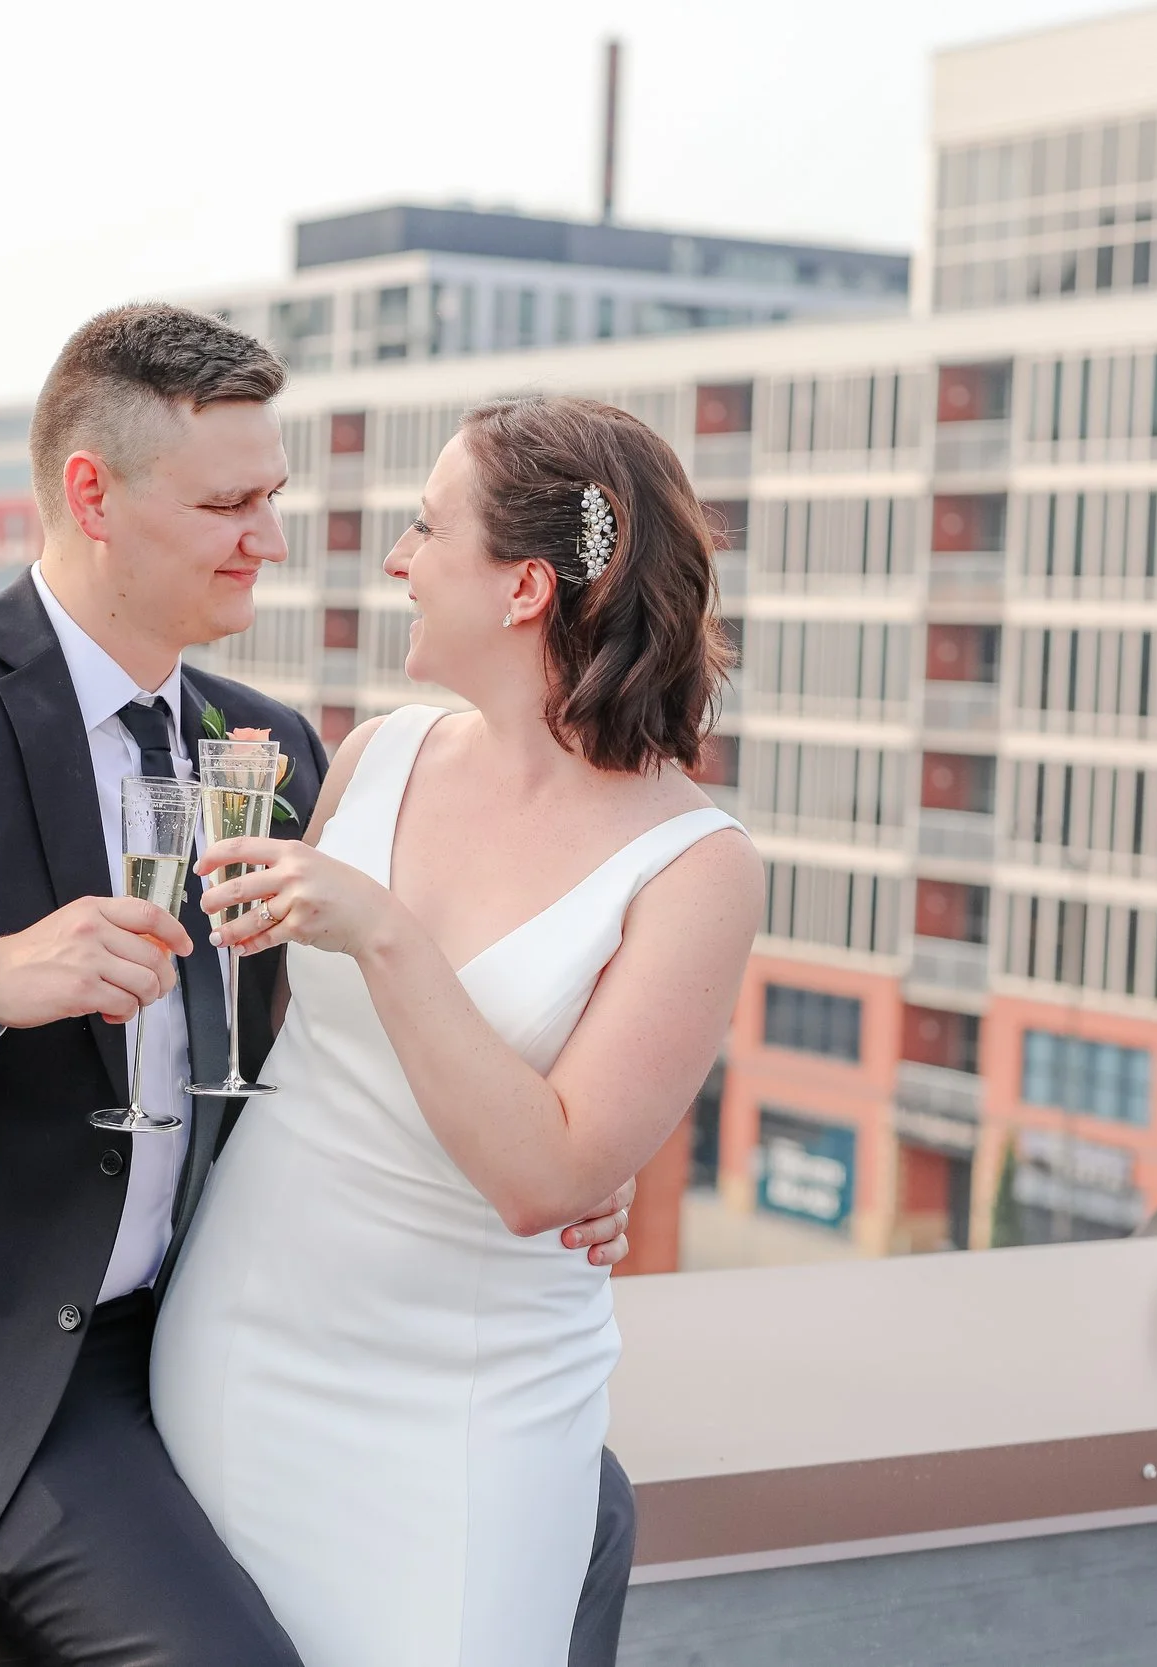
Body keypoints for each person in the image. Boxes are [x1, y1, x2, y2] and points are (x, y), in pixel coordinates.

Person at [0, 305, 638, 1666]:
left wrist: (556, 1143)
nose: (266, 539)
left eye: (271, 497)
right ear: (92, 495)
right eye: (227, 502)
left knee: (582, 1503)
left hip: (218, 1324)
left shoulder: (267, 742)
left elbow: (321, 1046)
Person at [151, 394, 763, 1667]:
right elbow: (274, 1036)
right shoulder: (373, 755)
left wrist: (387, 934)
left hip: (474, 1403)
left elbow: (544, 1176)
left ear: (525, 585)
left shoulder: (697, 865)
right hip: (244, 1347)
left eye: (429, 529)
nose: (397, 559)